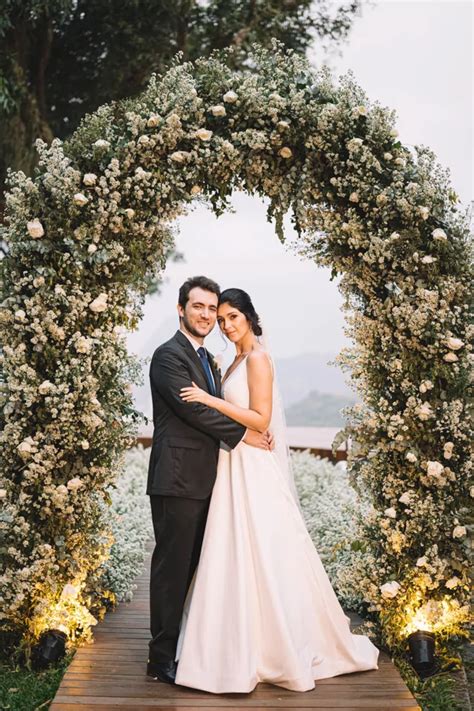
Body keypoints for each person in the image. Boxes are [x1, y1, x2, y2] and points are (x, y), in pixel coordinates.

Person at [174, 288, 380, 693]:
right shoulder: (231, 361)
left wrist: (208, 401)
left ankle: (277, 643)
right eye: (222, 320)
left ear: (250, 316)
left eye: (233, 317)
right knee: (232, 547)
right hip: (233, 463)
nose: (227, 325)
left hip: (253, 467)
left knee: (265, 548)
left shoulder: (258, 359)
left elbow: (261, 418)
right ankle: (229, 640)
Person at [146, 276, 273, 685]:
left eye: (212, 310)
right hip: (177, 479)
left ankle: (191, 648)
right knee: (172, 569)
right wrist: (246, 435)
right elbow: (193, 411)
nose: (206, 316)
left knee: (198, 568)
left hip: (209, 481)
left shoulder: (209, 360)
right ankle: (160, 657)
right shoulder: (168, 356)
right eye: (198, 307)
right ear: (181, 309)